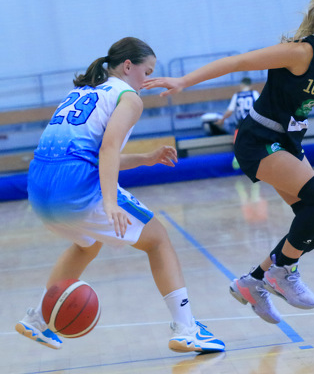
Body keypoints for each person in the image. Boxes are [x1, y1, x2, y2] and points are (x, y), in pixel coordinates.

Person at [144, 0, 314, 324]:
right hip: (258, 139)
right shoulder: (299, 53)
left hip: (288, 141)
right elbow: (238, 62)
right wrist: (184, 81)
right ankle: (284, 271)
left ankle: (253, 282)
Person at [15, 37, 225, 353]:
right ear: (128, 66)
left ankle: (38, 319)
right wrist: (110, 202)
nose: (147, 81)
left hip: (38, 189)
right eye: (147, 72)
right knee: (157, 239)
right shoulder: (128, 97)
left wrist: (146, 158)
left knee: (87, 245)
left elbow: (91, 154)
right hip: (75, 188)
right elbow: (108, 148)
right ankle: (186, 328)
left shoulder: (80, 93)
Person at [215, 76, 260, 169]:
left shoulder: (237, 95)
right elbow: (260, 107)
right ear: (250, 85)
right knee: (255, 142)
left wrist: (222, 120)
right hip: (253, 122)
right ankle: (255, 162)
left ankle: (237, 158)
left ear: (242, 85)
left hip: (241, 123)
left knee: (238, 142)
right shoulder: (254, 93)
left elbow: (230, 111)